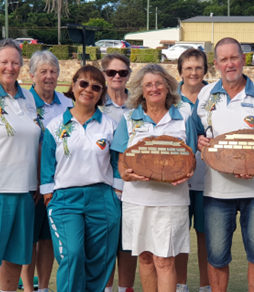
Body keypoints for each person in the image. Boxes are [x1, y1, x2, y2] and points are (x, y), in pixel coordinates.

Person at [193, 37, 254, 292]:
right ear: (216, 64)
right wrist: (199, 141)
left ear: (244, 60)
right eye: (224, 59)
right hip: (216, 191)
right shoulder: (205, 95)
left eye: (234, 58)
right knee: (217, 256)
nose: (230, 64)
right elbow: (195, 136)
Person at [110, 64, 197, 292]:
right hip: (136, 200)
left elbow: (192, 160)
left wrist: (188, 172)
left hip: (171, 201)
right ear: (141, 89)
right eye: (148, 84)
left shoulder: (184, 117)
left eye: (159, 83)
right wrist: (126, 173)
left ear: (168, 87)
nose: (154, 88)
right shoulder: (129, 120)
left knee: (164, 259)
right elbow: (121, 162)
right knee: (146, 258)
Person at [40, 65, 121, 292]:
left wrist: (116, 197)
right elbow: (47, 167)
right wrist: (49, 196)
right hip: (66, 199)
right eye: (83, 84)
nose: (88, 90)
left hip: (103, 198)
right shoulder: (55, 126)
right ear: (73, 86)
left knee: (100, 260)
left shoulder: (110, 125)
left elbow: (117, 165)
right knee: (72, 254)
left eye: (96, 87)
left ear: (101, 93)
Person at [0, 39, 41, 292]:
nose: (10, 67)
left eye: (15, 62)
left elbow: (34, 142)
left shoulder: (27, 98)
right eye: (4, 61)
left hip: (24, 191)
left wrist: (37, 180)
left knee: (16, 258)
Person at [20, 49, 73, 292]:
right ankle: (28, 287)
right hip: (30, 183)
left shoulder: (68, 103)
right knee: (29, 240)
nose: (48, 76)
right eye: (43, 71)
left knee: (49, 238)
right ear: (32, 75)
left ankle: (43, 287)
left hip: (57, 183)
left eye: (53, 71)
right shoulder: (23, 103)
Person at [174, 48, 211, 292]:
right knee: (178, 235)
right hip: (177, 182)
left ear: (206, 70)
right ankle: (180, 284)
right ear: (180, 72)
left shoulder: (215, 96)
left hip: (210, 179)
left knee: (206, 237)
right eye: (188, 68)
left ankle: (206, 286)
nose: (194, 72)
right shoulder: (169, 98)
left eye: (198, 67)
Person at [101, 53, 138, 292]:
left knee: (128, 243)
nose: (117, 76)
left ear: (128, 75)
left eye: (122, 72)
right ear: (104, 74)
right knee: (106, 243)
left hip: (133, 182)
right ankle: (106, 288)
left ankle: (126, 288)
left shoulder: (138, 104)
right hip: (102, 182)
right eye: (112, 72)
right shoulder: (94, 102)